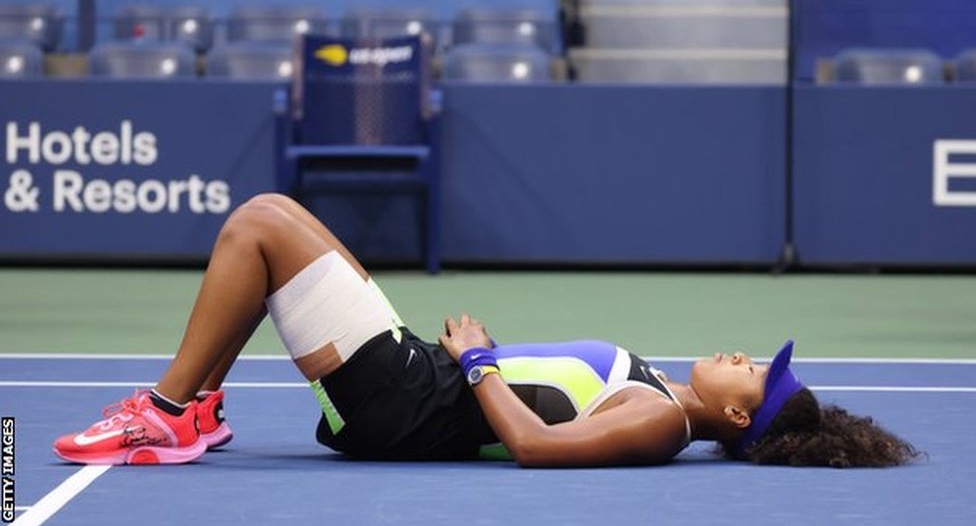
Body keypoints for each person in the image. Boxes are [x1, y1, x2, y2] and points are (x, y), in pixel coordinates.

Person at [53, 194, 919, 468]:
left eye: (756, 373)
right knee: (271, 236)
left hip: (409, 397)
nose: (742, 356)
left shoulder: (661, 420)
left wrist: (476, 362)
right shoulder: (660, 388)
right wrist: (479, 360)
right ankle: (194, 408)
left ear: (738, 417)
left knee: (262, 226)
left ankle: (167, 412)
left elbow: (538, 448)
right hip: (420, 379)